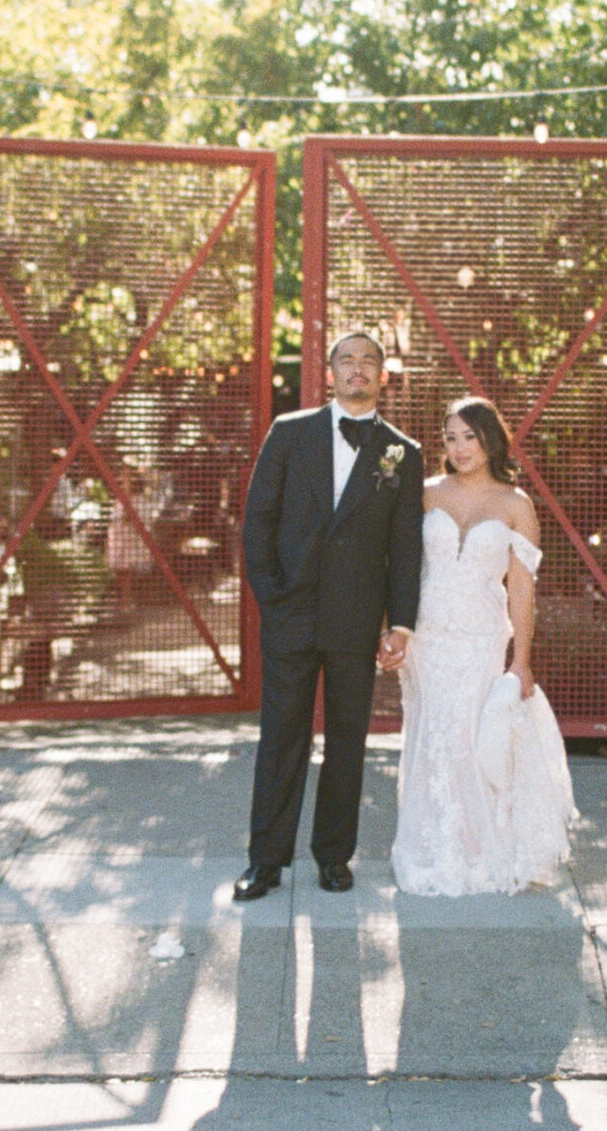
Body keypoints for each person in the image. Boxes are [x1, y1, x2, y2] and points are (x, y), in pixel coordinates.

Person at [233, 330, 425, 901]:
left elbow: (405, 544)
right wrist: (270, 593)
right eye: (348, 360)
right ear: (330, 373)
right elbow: (258, 518)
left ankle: (333, 857)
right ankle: (265, 862)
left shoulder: (401, 453)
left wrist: (401, 621)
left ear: (383, 376)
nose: (358, 370)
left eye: (370, 361)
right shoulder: (290, 433)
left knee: (347, 740)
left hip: (355, 619)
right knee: (281, 737)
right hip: (290, 615)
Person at [390, 396, 575, 896]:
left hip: (482, 639)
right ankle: (432, 845)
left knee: (476, 741)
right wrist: (396, 629)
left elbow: (521, 589)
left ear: (490, 440)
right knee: (433, 738)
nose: (460, 447)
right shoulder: (424, 493)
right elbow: (403, 568)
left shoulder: (516, 505)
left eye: (470, 436)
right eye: (450, 437)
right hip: (428, 638)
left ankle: (478, 847)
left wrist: (523, 662)